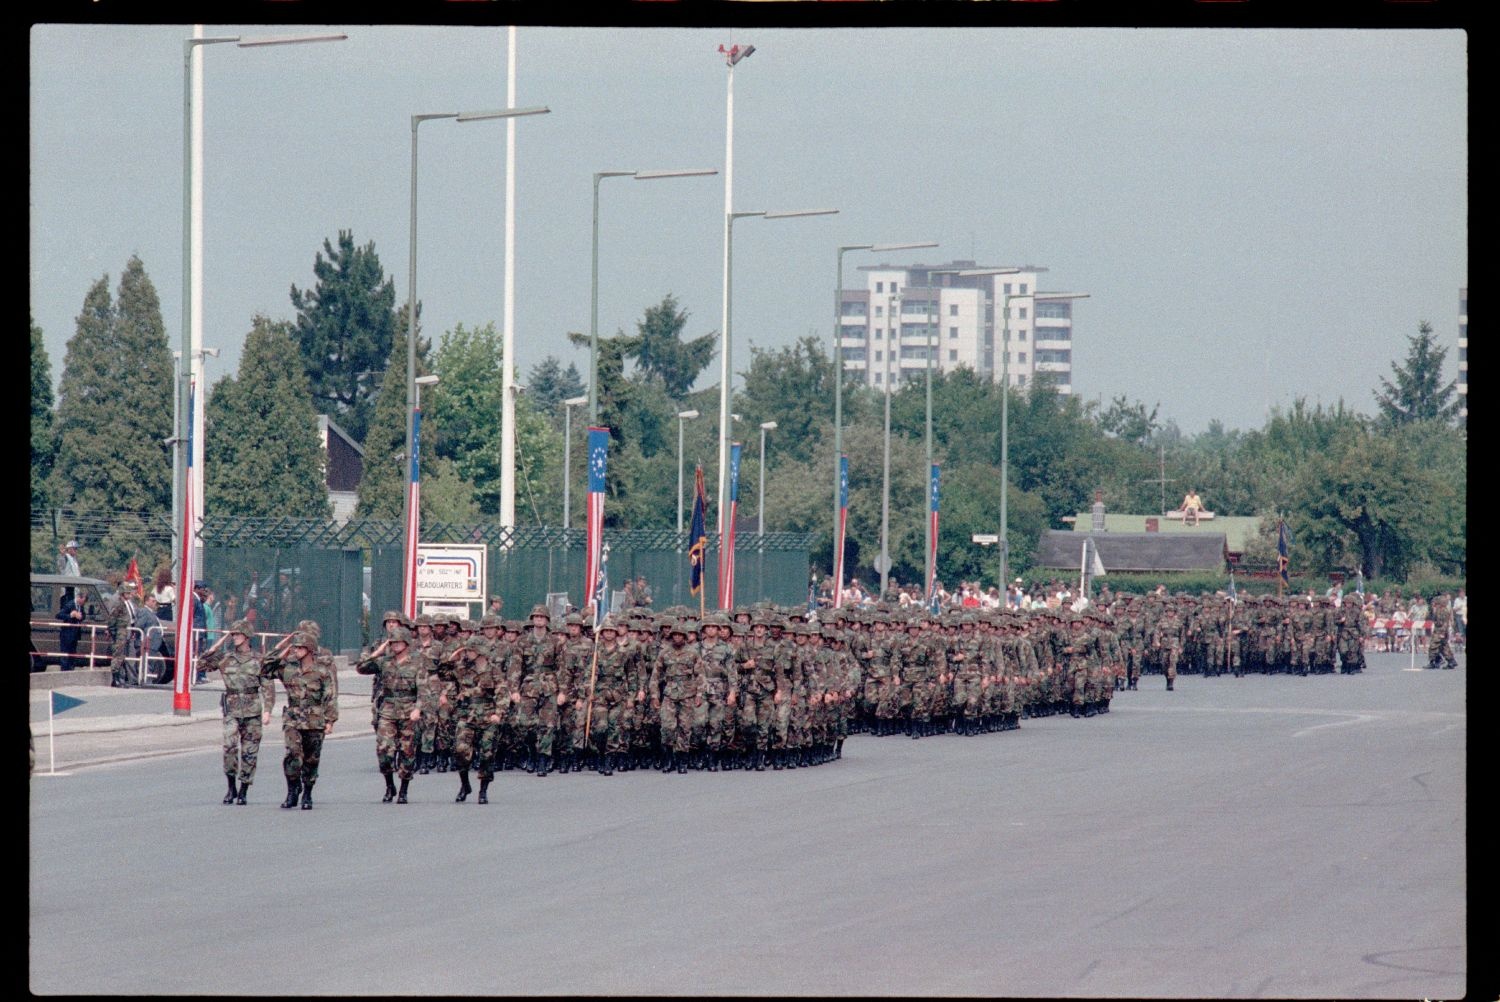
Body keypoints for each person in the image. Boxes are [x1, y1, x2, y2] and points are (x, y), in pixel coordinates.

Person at [199, 619, 275, 804]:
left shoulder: (259, 660)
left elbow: (268, 686)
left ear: (247, 636)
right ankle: (231, 787)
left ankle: (244, 790)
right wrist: (215, 646)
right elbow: (201, 665)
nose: (235, 637)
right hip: (232, 709)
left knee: (250, 752)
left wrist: (268, 710)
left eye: (238, 634)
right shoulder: (226, 658)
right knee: (230, 748)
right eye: (232, 634)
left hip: (252, 710)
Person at [260, 631, 338, 809]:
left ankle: (308, 793)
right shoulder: (288, 669)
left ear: (310, 649)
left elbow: (330, 697)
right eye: (295, 647)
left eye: (301, 647)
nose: (296, 650)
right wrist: (284, 643)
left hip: (315, 719)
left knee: (311, 759)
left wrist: (330, 721)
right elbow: (265, 666)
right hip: (293, 718)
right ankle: (292, 790)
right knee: (292, 755)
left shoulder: (322, 671)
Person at [57, 587, 84, 671]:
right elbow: (59, 615)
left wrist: (81, 616)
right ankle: (64, 671)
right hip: (67, 634)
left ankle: (71, 670)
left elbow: (83, 615)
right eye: (83, 601)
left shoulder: (80, 606)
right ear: (79, 598)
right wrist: (70, 615)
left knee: (72, 654)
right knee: (65, 654)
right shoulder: (69, 604)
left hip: (75, 634)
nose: (83, 603)